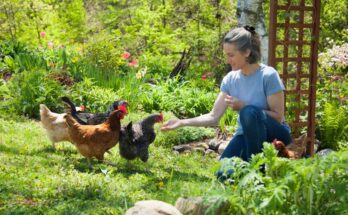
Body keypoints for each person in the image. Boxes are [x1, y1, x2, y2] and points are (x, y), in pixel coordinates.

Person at [160, 26, 292, 180]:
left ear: (247, 52)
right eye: (226, 55)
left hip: (275, 133)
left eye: (231, 55)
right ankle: (248, 171)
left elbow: (278, 116)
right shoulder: (230, 79)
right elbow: (213, 116)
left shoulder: (268, 75)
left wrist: (244, 107)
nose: (227, 60)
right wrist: (181, 122)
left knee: (248, 112)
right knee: (223, 174)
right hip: (245, 136)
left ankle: (257, 174)